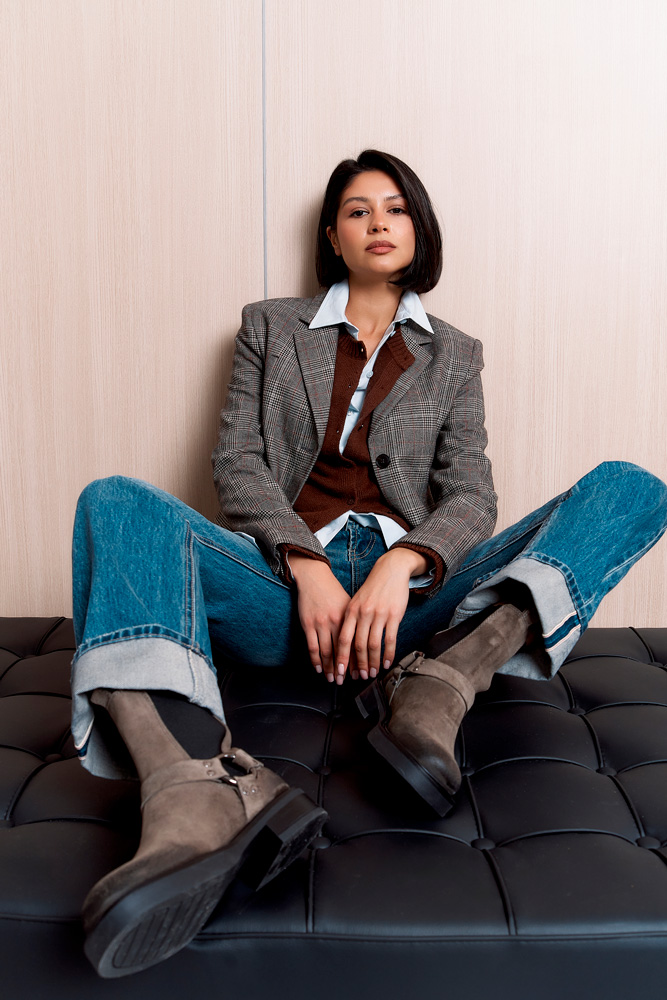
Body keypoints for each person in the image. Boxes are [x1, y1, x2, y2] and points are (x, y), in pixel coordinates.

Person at [70, 149, 667, 978]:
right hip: (282, 593)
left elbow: (471, 494)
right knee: (113, 500)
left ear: (418, 229)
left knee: (632, 488)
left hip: (416, 610)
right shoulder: (269, 327)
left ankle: (440, 682)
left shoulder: (455, 353)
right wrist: (304, 563)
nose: (377, 222)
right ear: (332, 236)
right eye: (357, 210)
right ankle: (194, 785)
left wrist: (404, 563)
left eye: (394, 208)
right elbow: (238, 463)